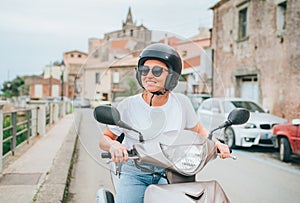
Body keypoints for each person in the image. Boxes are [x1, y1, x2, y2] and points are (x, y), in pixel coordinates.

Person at [99, 43, 230, 203]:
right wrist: (114, 146)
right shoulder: (127, 105)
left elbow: (199, 131)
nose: (149, 75)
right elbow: (105, 138)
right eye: (144, 70)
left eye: (157, 71)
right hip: (135, 171)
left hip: (173, 171)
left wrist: (217, 143)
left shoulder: (182, 103)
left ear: (172, 76)